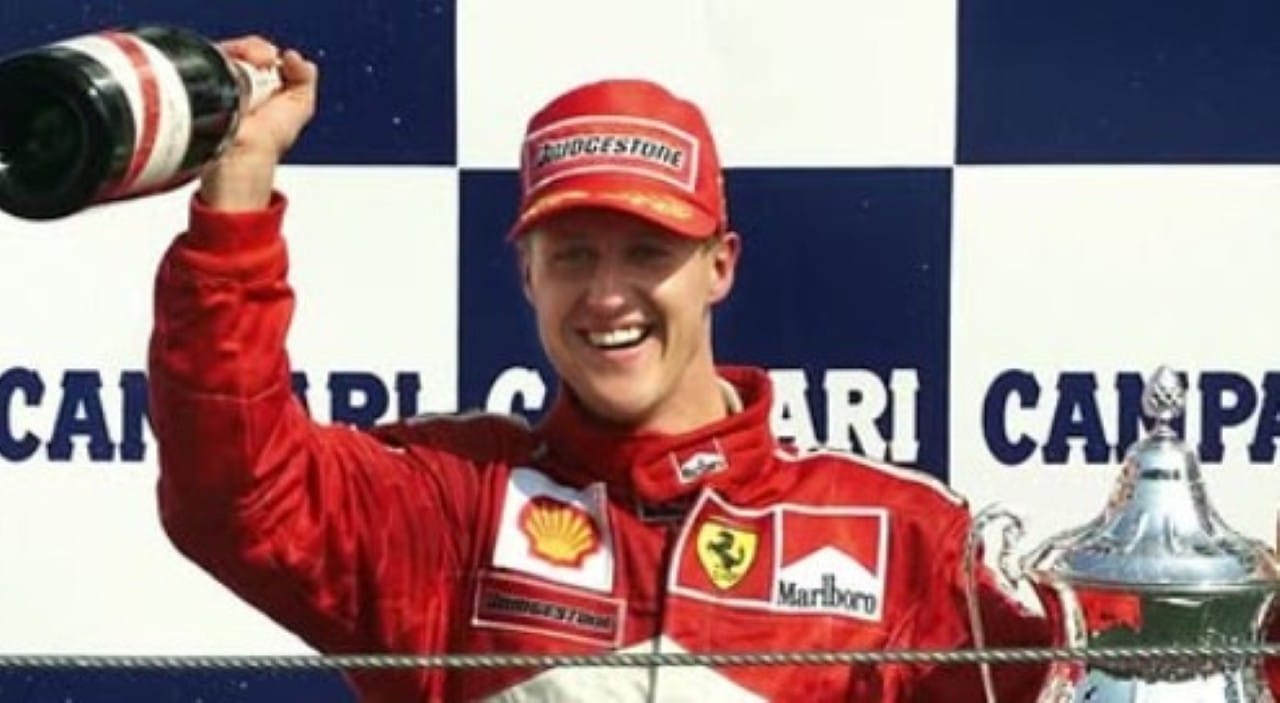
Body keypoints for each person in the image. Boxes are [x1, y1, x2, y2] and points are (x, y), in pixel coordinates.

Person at [147, 35, 1056, 702]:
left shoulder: (898, 535)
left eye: (647, 252)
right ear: (528, 276)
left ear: (720, 266)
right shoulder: (452, 505)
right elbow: (235, 491)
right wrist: (240, 185)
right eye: (573, 255)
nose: (608, 294)